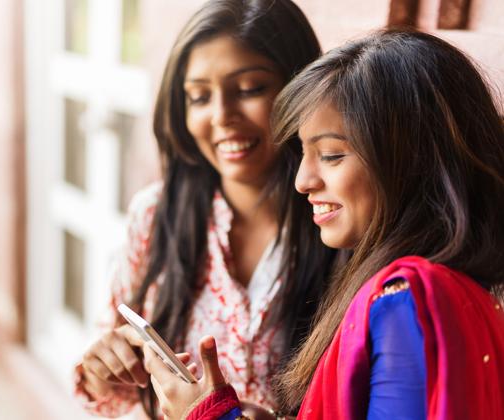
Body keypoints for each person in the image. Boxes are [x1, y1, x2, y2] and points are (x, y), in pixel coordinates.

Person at [143, 29, 504, 419]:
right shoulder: (451, 294)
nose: (303, 181)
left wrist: (207, 415)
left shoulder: (407, 299)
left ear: (413, 160)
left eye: (331, 155)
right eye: (304, 153)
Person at [74, 0, 338, 418]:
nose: (222, 116)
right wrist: (102, 368)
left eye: (250, 89)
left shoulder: (337, 221)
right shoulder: (155, 216)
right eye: (199, 96)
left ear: (298, 88)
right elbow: (111, 397)